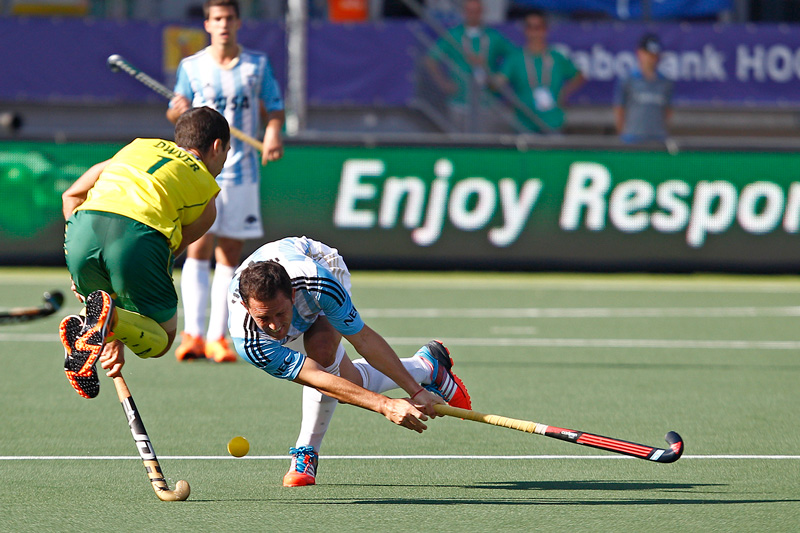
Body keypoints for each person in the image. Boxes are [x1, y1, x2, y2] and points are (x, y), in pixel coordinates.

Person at [227, 236, 472, 487]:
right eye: (264, 317)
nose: (275, 325)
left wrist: (415, 392)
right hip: (284, 288)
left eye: (280, 313)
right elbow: (318, 379)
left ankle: (306, 452)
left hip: (319, 261)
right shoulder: (248, 340)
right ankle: (428, 366)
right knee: (345, 384)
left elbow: (363, 339)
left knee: (322, 352)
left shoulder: (319, 283)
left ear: (291, 295)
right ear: (247, 307)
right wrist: (386, 405)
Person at [59, 107, 230, 399]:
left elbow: (71, 196)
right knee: (163, 339)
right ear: (217, 147)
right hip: (139, 239)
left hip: (80, 232)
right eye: (227, 151)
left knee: (105, 310)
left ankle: (103, 326)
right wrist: (119, 326)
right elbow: (162, 255)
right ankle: (109, 322)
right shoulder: (208, 198)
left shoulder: (137, 147)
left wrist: (79, 259)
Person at [166, 0, 285, 364]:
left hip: (243, 170)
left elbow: (274, 108)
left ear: (237, 22)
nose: (223, 25)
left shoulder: (256, 65)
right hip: (200, 170)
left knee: (229, 255)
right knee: (197, 250)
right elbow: (177, 113)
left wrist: (274, 134)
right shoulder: (192, 66)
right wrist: (176, 106)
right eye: (217, 19)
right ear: (207, 23)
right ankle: (193, 335)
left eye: (229, 18)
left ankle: (219, 336)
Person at [424, 0, 515, 133]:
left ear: (482, 13)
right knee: (458, 143)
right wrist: (443, 83)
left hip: (486, 102)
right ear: (464, 13)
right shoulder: (454, 35)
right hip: (460, 100)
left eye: (476, 11)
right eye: (470, 11)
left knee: (484, 144)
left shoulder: (492, 36)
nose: (473, 15)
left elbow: (514, 55)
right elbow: (431, 59)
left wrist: (500, 77)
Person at [493, 9, 584, 134]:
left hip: (553, 122)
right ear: (525, 30)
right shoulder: (516, 57)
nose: (534, 32)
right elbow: (499, 80)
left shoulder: (556, 56)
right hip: (524, 124)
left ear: (545, 30)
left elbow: (579, 75)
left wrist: (564, 93)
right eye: (530, 27)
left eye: (538, 27)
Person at [613, 33, 673, 144]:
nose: (652, 59)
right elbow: (619, 110)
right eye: (648, 54)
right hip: (632, 139)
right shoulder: (628, 80)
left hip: (658, 140)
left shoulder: (665, 82)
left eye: (655, 55)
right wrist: (623, 136)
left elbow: (668, 112)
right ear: (639, 53)